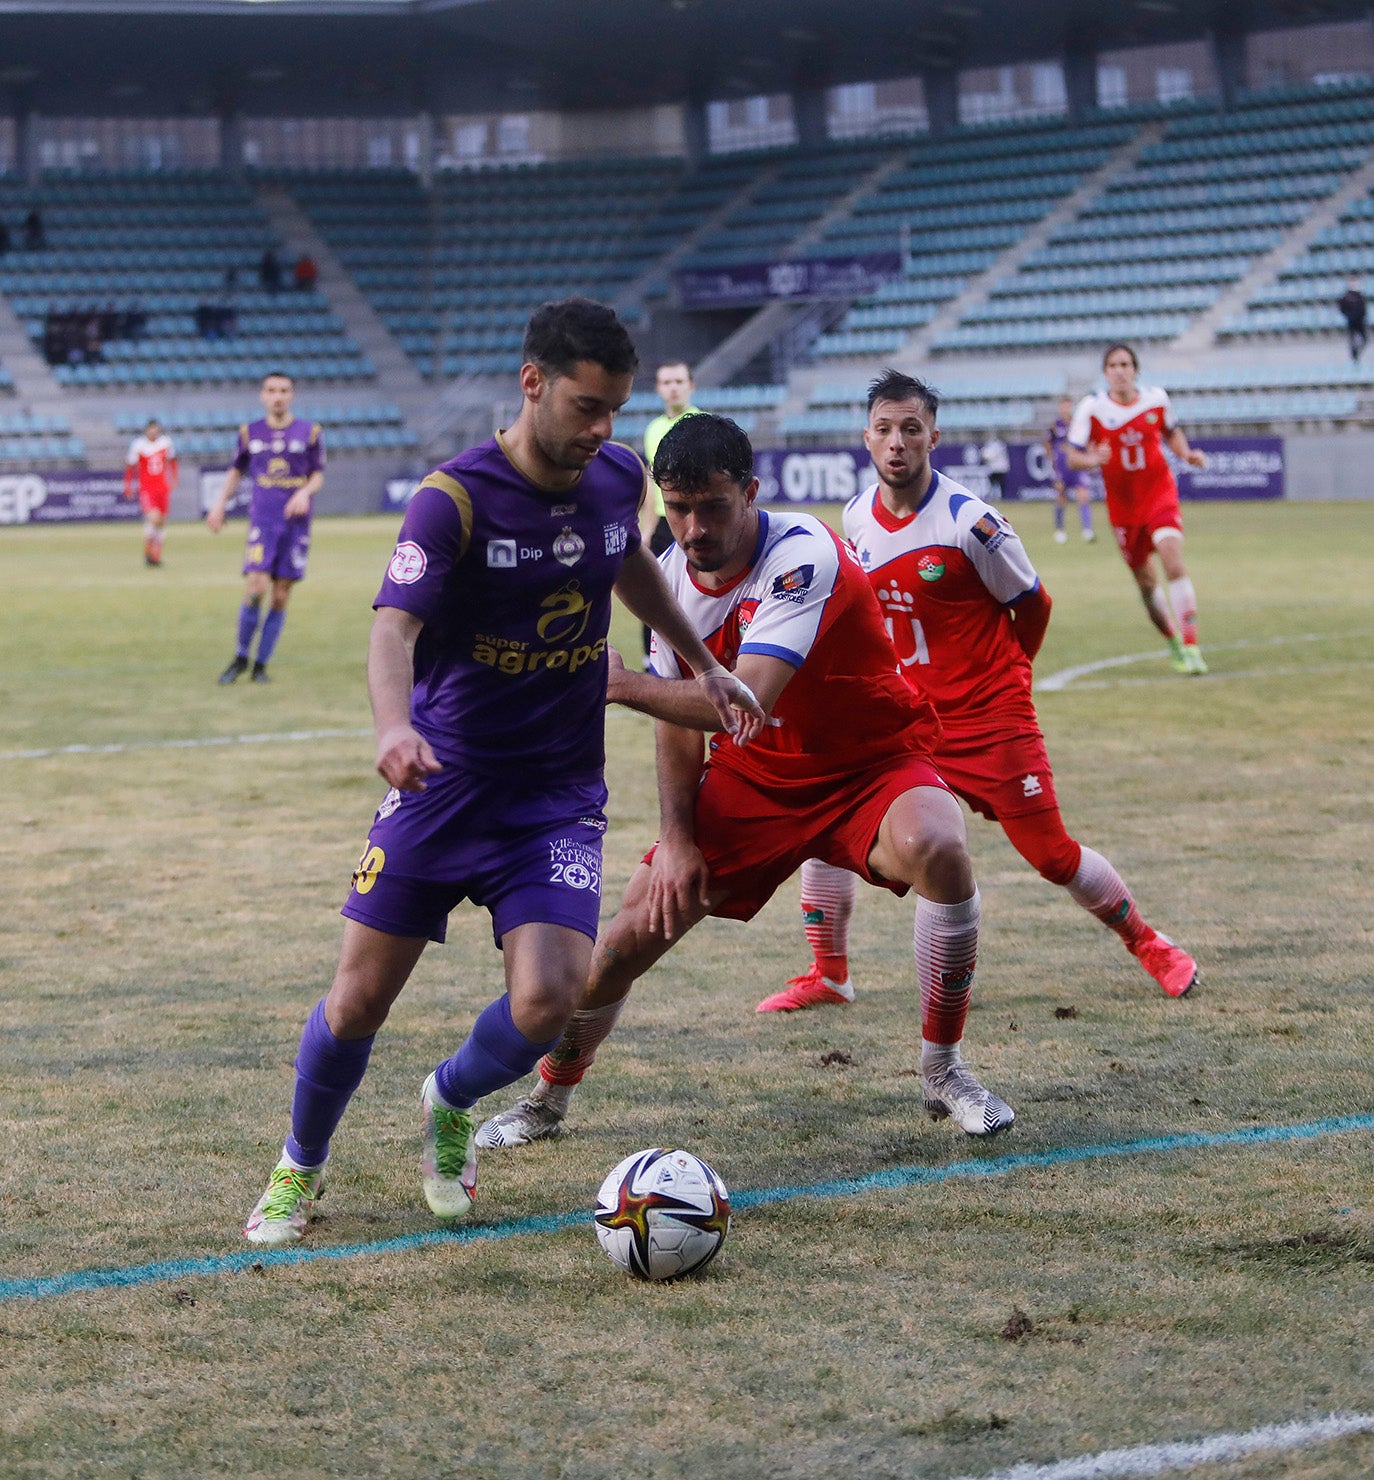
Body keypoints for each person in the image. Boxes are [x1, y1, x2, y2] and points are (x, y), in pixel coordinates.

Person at [240, 298, 763, 1246]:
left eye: (615, 410)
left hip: (556, 794)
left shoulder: (616, 481)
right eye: (586, 406)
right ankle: (299, 1167)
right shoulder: (454, 499)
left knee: (549, 998)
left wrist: (702, 662)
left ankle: (448, 1102)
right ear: (533, 385)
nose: (603, 430)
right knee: (358, 999)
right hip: (442, 785)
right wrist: (393, 728)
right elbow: (392, 629)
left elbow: (631, 571)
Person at [476, 410, 1016, 1154]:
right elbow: (681, 724)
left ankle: (945, 1071)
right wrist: (676, 837)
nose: (694, 527)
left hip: (871, 762)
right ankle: (547, 1098)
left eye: (713, 506)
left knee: (940, 847)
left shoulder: (802, 553)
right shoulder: (668, 578)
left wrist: (620, 685)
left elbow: (741, 699)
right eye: (677, 507)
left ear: (752, 493)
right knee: (627, 937)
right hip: (758, 777)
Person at [753, 370, 1198, 1016]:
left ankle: (1149, 943)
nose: (897, 442)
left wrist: (1010, 682)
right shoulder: (855, 517)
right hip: (906, 721)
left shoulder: (971, 523)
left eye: (911, 429)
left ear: (934, 435)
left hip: (990, 718)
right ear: (866, 438)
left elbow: (1034, 606)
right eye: (884, 430)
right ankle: (829, 973)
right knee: (827, 825)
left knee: (1051, 855)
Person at [1067, 344, 1208, 676]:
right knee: (1146, 583)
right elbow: (1072, 456)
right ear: (1106, 373)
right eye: (1114, 365)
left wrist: (1186, 454)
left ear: (1136, 370)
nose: (1120, 370)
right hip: (1124, 509)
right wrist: (1092, 460)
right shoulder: (1092, 409)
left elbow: (1171, 432)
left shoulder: (1156, 400)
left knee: (1173, 561)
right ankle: (1172, 640)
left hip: (1159, 494)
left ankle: (1192, 646)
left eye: (1126, 364)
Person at [206, 371, 325, 683]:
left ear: (292, 395)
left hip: (296, 525)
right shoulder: (250, 433)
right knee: (256, 587)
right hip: (263, 522)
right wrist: (219, 505)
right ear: (263, 395)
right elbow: (235, 471)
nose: (278, 396)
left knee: (281, 595)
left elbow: (317, 475)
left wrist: (304, 492)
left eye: (284, 390)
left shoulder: (310, 432)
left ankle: (261, 666)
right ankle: (240, 657)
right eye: (272, 390)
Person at [638, 360, 701, 664]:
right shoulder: (653, 430)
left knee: (699, 590)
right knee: (653, 589)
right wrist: (647, 529)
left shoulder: (704, 425)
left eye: (679, 381)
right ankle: (652, 658)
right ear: (658, 389)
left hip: (695, 520)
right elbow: (652, 485)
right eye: (667, 382)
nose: (673, 387)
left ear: (691, 386)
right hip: (664, 523)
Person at [122, 416, 179, 567]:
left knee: (161, 522)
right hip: (147, 489)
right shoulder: (139, 445)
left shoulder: (166, 443)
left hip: (162, 488)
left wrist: (174, 479)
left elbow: (173, 462)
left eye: (156, 428)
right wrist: (127, 485)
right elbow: (130, 466)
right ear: (147, 430)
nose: (153, 431)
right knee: (153, 519)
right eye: (151, 428)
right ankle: (148, 552)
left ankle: (156, 555)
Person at [1046, 396, 1095, 544]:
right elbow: (1048, 443)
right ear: (1060, 408)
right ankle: (1060, 531)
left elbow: (1087, 442)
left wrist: (1088, 458)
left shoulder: (1078, 424)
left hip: (1077, 466)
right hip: (1061, 467)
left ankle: (1087, 531)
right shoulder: (1055, 425)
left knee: (1083, 496)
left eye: (1069, 406)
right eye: (1064, 406)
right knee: (1061, 497)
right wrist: (1052, 461)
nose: (1066, 409)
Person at [1337, 276, 1366, 362]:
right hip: (1351, 320)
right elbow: (1342, 308)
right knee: (1352, 339)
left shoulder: (1360, 295)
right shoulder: (1346, 297)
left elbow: (1363, 307)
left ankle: (1356, 353)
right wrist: (1349, 315)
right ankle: (1354, 356)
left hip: (1360, 320)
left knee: (1364, 339)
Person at [979, 430, 1009, 501]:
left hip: (996, 468)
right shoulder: (1000, 445)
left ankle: (999, 497)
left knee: (996, 483)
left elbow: (988, 455)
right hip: (997, 468)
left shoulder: (995, 445)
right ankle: (998, 497)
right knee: (996, 484)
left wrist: (983, 455)